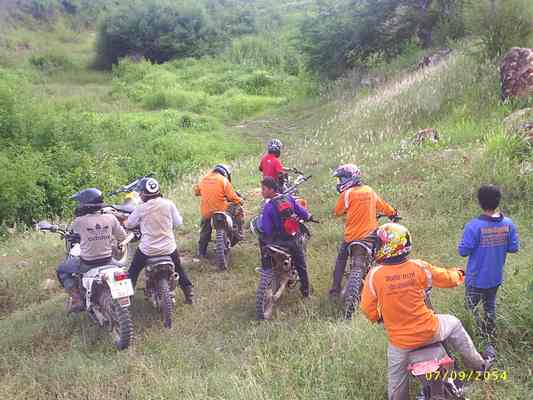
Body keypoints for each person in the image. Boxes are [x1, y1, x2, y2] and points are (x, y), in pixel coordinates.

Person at [360, 223, 495, 400]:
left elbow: (367, 309)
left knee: (396, 384)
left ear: (388, 247)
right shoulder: (419, 267)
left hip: (401, 343)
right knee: (454, 323)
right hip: (430, 330)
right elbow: (447, 278)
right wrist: (459, 274)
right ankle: (479, 366)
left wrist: (379, 318)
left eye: (378, 243)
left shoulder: (374, 275)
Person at [458, 184, 520, 339]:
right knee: (490, 307)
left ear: (480, 202)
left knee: (470, 308)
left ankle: (476, 334)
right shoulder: (508, 224)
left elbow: (463, 251)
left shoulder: (473, 226)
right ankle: (490, 334)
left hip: (475, 278)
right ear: (498, 201)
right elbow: (513, 248)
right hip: (495, 278)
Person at [329, 164, 398, 298]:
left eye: (343, 179)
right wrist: (393, 213)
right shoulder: (369, 191)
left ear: (352, 178)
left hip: (351, 238)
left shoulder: (346, 194)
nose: (341, 182)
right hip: (370, 236)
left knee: (341, 259)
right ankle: (384, 284)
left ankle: (335, 290)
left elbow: (337, 212)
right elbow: (383, 206)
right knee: (381, 255)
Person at [57, 188, 126, 312]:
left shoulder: (79, 221)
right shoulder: (110, 218)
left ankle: (77, 299)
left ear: (85, 204)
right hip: (108, 260)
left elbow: (73, 235)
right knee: (124, 271)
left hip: (88, 263)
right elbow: (122, 236)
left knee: (62, 270)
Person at [125, 178, 193, 304]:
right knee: (179, 268)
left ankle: (127, 298)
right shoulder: (168, 204)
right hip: (169, 249)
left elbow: (129, 224)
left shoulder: (141, 208)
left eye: (140, 192)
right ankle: (188, 292)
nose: (140, 195)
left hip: (147, 250)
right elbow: (178, 223)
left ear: (145, 194)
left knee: (133, 270)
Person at [259, 177, 312, 297]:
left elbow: (266, 229)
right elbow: (302, 212)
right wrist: (309, 216)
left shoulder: (268, 207)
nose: (262, 192)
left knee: (262, 240)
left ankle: (266, 267)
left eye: (264, 189)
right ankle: (306, 292)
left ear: (272, 190)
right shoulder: (289, 198)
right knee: (301, 265)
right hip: (292, 241)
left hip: (277, 242)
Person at [194, 164, 244, 258]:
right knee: (237, 210)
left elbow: (196, 192)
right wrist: (240, 201)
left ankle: (201, 252)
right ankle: (238, 232)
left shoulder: (203, 179)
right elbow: (232, 197)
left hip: (207, 212)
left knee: (205, 230)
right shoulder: (223, 180)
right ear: (225, 173)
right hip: (221, 210)